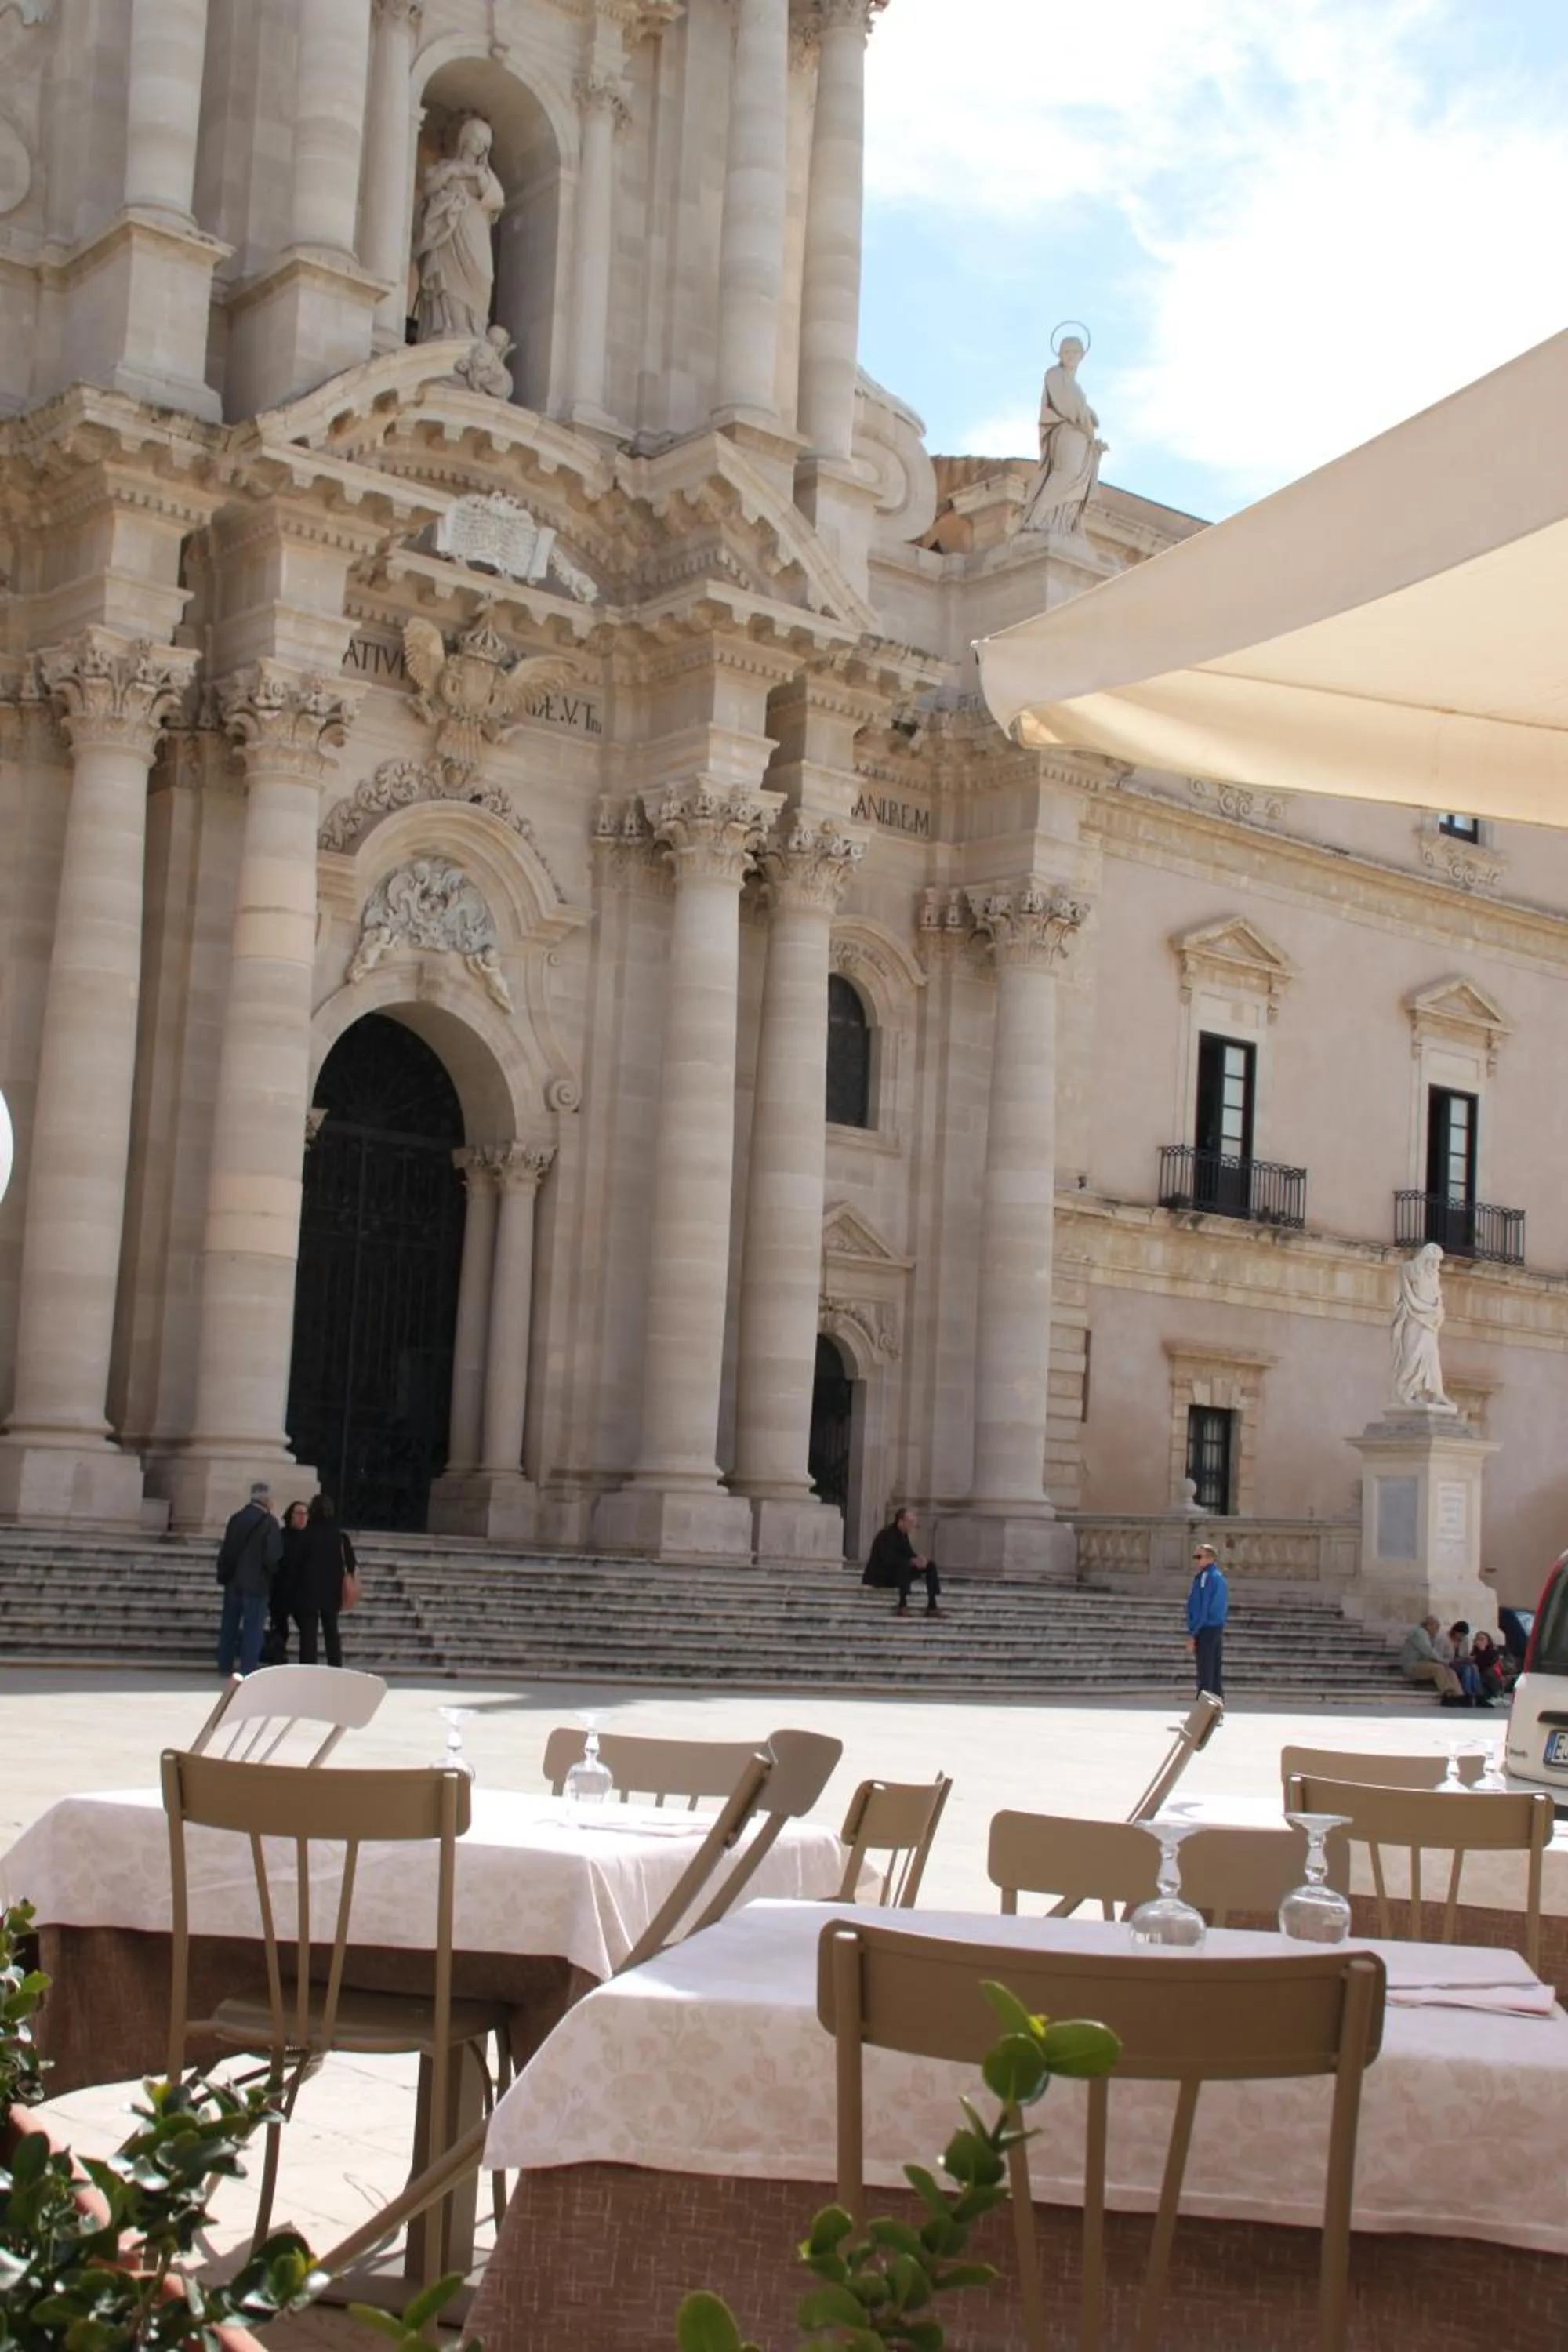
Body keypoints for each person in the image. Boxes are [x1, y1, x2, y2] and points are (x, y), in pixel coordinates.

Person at [214, 1482, 282, 1678]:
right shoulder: (269, 1522)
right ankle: (248, 1668)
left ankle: (224, 1664)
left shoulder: (236, 1518)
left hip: (233, 1580)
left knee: (229, 1625)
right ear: (266, 1499)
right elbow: (272, 1556)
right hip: (256, 1583)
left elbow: (227, 1549)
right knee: (253, 1629)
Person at [292, 1493, 356, 1667]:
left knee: (308, 1634)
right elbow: (351, 1564)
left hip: (307, 1589)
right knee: (331, 1630)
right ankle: (335, 1666)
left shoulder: (305, 1535)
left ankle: (308, 1667)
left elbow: (295, 1563)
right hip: (332, 1589)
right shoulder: (339, 1537)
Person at [862, 1507, 943, 1618]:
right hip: (882, 1575)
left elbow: (908, 1553)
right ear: (901, 1522)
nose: (913, 1525)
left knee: (930, 1566)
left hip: (898, 1572)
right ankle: (902, 1604)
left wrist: (919, 1560)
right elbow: (888, 1559)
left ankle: (932, 1605)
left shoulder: (903, 1535)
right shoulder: (886, 1535)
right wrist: (910, 1561)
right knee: (903, 1565)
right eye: (911, 1522)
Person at [1185, 1542, 1228, 1700]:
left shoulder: (1207, 1578)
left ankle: (1204, 1708)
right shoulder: (1219, 1578)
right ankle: (1216, 1706)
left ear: (1210, 1558)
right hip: (1216, 1628)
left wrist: (1193, 1632)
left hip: (1206, 1629)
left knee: (1205, 1672)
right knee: (1214, 1671)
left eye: (1199, 1557)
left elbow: (1203, 1606)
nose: (1197, 1560)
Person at [271, 1499, 310, 1665]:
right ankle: (278, 1660)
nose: (302, 1517)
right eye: (299, 1513)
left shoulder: (310, 1539)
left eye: (305, 1514)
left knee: (307, 1629)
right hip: (281, 1590)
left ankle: (306, 1662)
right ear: (291, 1516)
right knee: (280, 1628)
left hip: (303, 1592)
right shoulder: (280, 1536)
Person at [1400, 1615, 1465, 1703]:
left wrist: (1445, 1663)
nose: (1437, 1631)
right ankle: (1449, 1694)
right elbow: (1429, 1652)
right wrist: (1444, 1661)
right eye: (1436, 1627)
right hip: (1413, 1666)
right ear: (1429, 1626)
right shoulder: (1419, 1633)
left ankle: (1460, 1695)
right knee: (1439, 1669)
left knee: (1451, 1671)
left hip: (1424, 1664)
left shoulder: (1428, 1636)